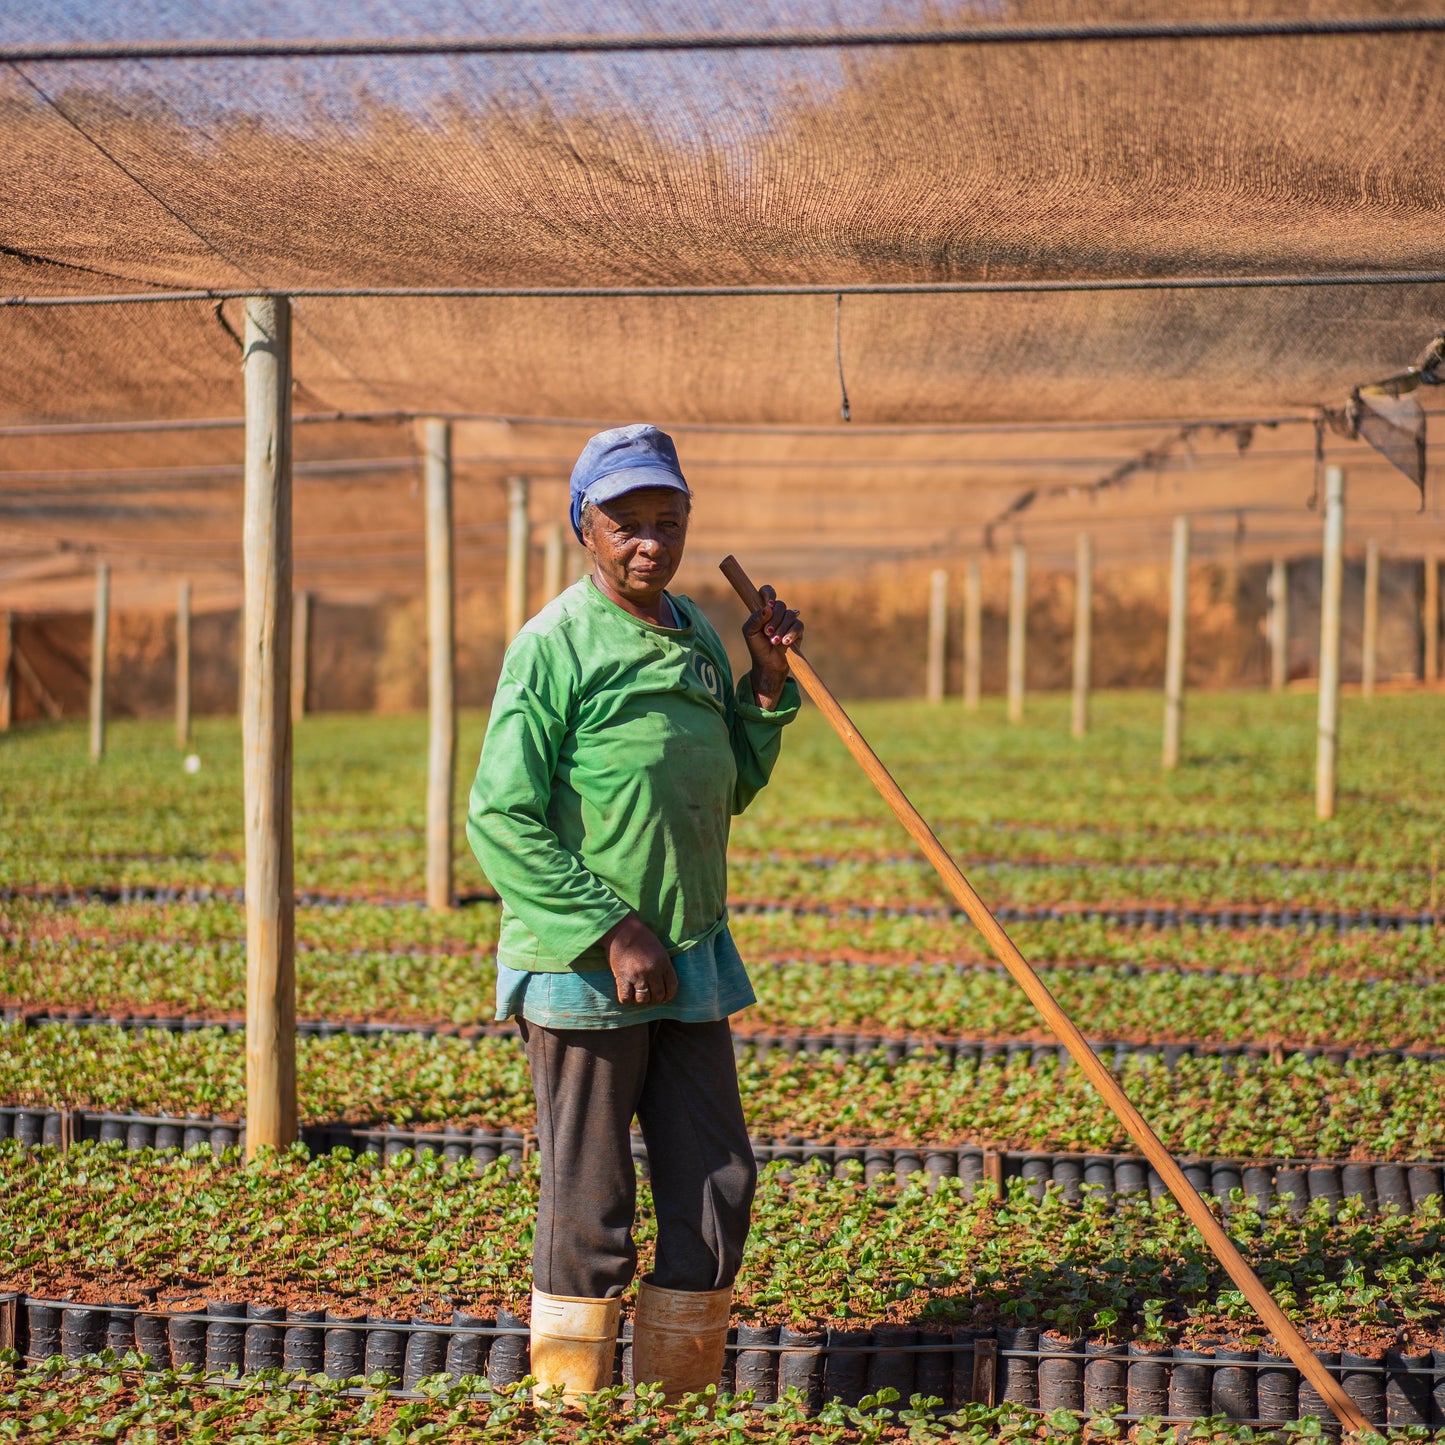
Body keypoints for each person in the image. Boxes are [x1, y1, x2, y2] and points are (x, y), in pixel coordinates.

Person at [466, 424, 804, 1405]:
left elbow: (730, 780)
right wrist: (610, 929)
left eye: (667, 519)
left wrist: (766, 682)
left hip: (691, 957)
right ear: (583, 527)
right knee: (592, 1197)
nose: (649, 541)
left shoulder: (698, 631)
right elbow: (499, 815)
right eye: (626, 523)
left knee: (716, 1180)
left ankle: (676, 1397)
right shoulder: (553, 646)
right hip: (583, 969)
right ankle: (569, 1400)